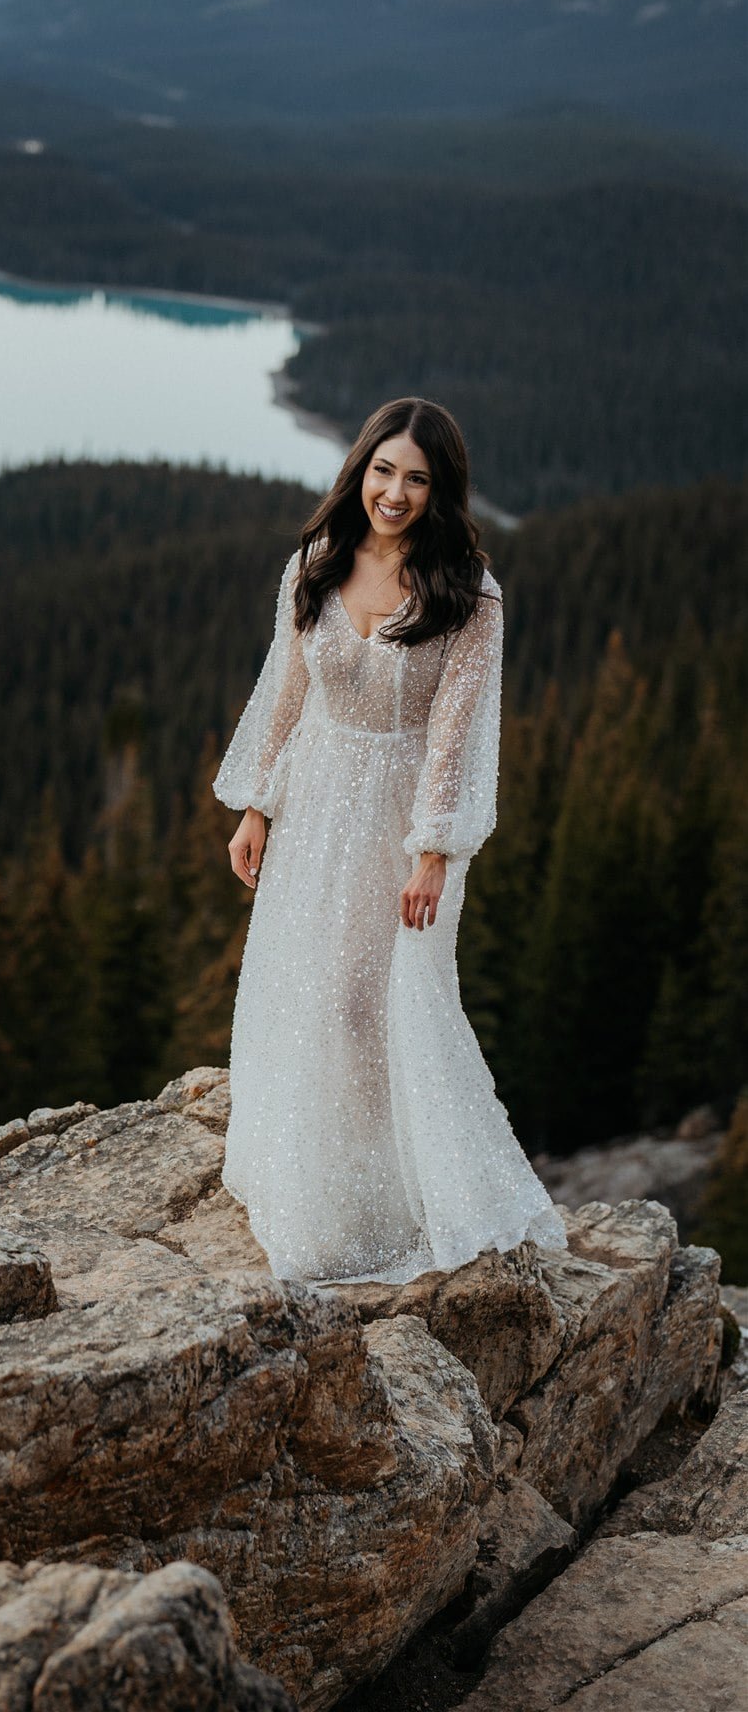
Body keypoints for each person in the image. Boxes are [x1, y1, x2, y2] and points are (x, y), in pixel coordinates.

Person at [215, 396, 566, 1286]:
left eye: (416, 478)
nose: (394, 492)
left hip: (399, 826)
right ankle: (315, 1186)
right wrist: (256, 805)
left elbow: (456, 732)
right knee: (305, 995)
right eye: (382, 470)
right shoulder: (315, 564)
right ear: (359, 469)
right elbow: (284, 693)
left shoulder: (468, 593)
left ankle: (396, 1194)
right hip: (315, 812)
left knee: (381, 1008)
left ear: (440, 489)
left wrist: (434, 852)